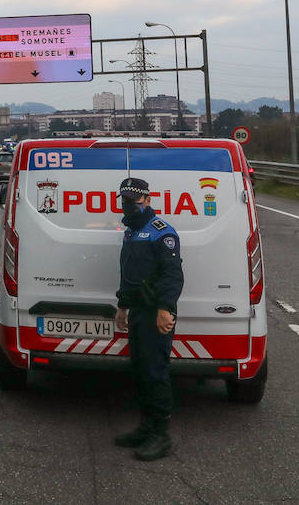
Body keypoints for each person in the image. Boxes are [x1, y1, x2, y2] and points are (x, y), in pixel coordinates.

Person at [112, 176, 184, 461]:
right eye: (126, 201)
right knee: (140, 370)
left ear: (148, 200)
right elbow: (129, 275)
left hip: (156, 312)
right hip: (138, 311)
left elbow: (173, 274)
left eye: (135, 201)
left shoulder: (161, 232)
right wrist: (122, 306)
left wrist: (166, 308)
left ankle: (161, 435)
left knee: (155, 372)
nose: (129, 206)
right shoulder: (130, 232)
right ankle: (145, 427)